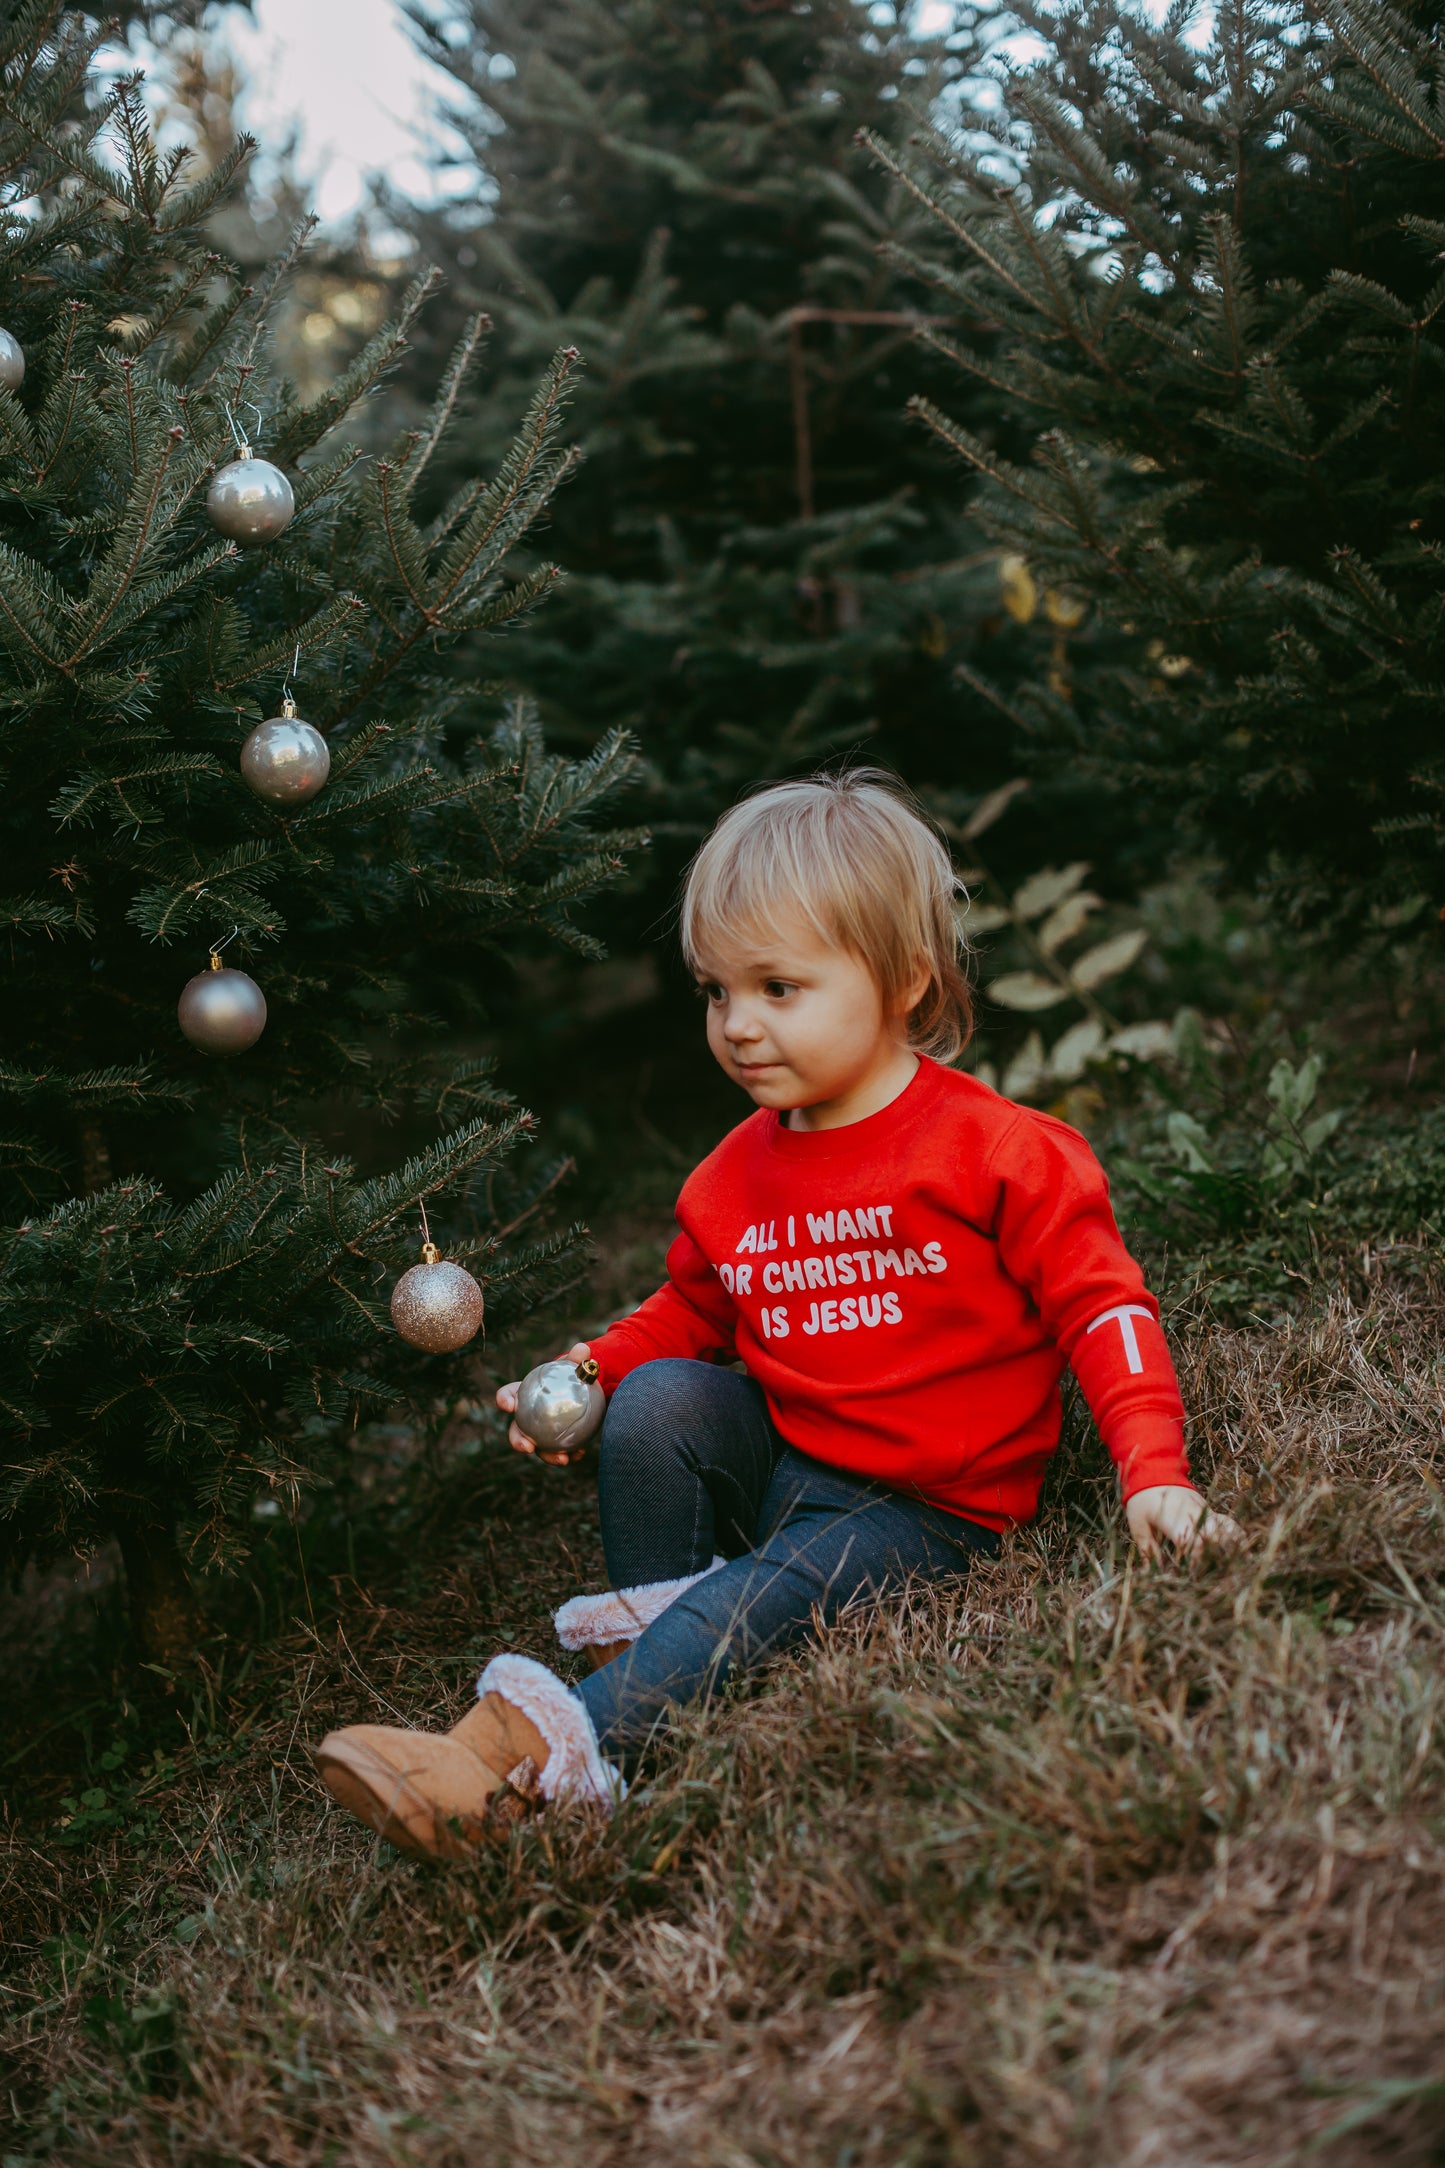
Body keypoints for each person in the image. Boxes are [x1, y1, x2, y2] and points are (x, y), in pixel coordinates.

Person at [315, 771, 1241, 1860]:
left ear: (901, 978)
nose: (737, 1025)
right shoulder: (731, 1178)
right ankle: (663, 1639)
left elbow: (1102, 1307)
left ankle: (527, 1767)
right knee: (657, 1401)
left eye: (777, 987)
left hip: (935, 1506)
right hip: (795, 1461)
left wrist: (1155, 1470)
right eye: (716, 990)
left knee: (762, 1593)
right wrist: (593, 1373)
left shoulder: (995, 1150)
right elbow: (689, 1310)